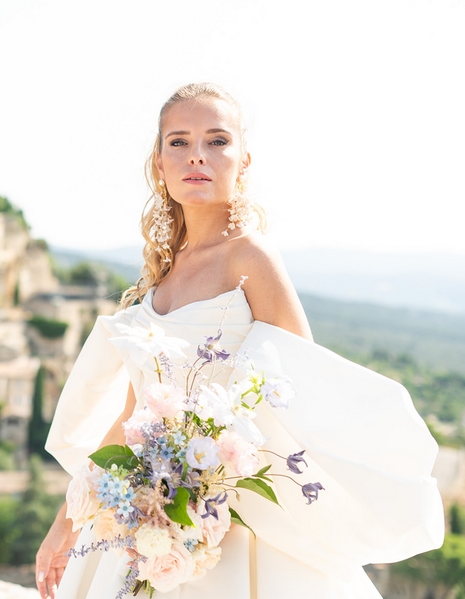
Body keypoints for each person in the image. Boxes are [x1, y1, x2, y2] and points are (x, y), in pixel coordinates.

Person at [34, 83, 444, 599]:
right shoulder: (159, 275)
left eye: (217, 141)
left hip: (231, 526)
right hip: (146, 522)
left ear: (243, 160)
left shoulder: (252, 258)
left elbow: (300, 396)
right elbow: (132, 420)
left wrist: (213, 474)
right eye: (178, 142)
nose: (197, 156)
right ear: (159, 162)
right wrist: (68, 521)